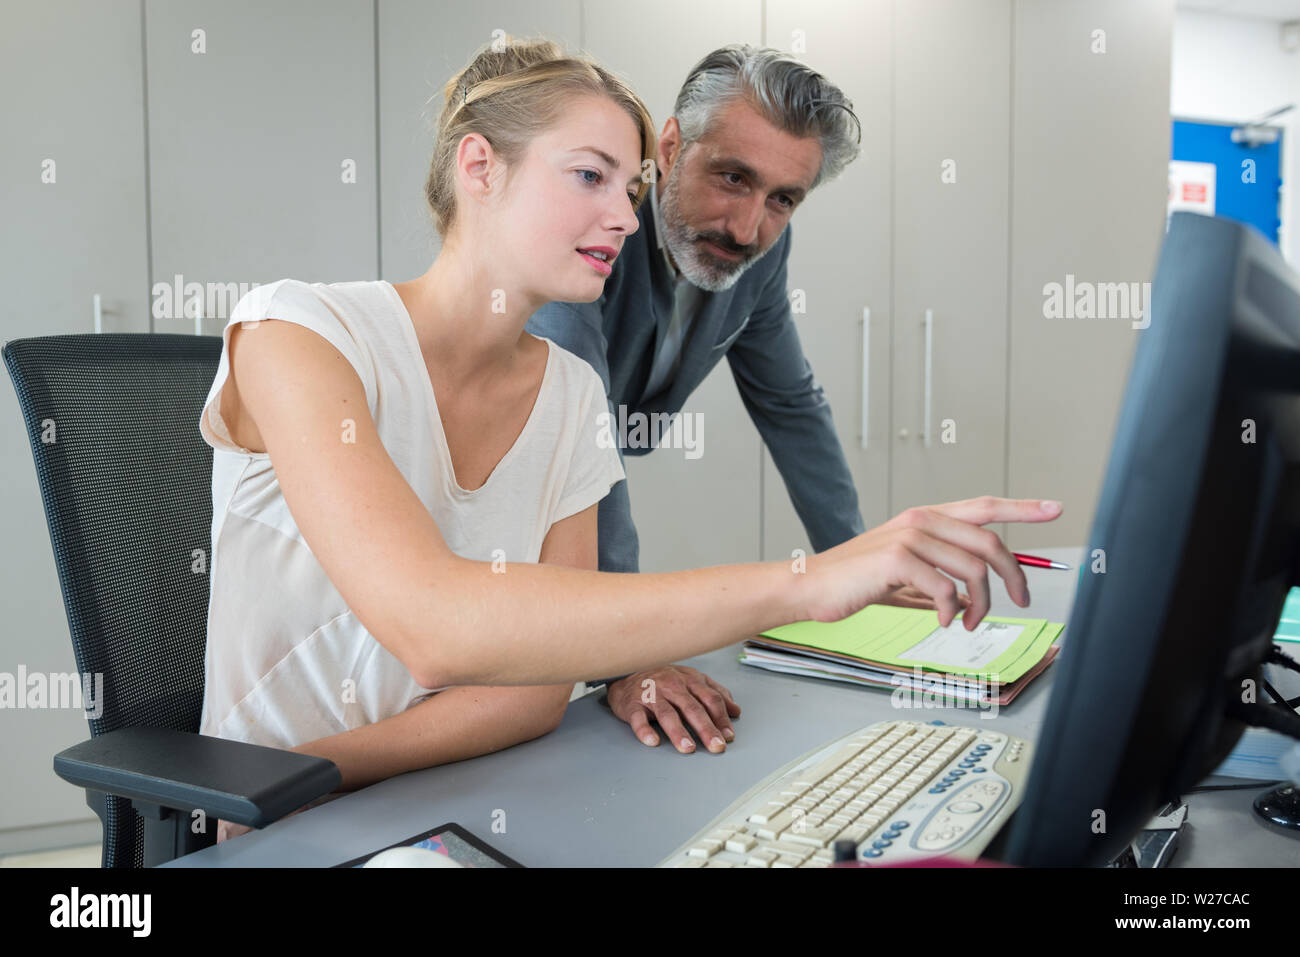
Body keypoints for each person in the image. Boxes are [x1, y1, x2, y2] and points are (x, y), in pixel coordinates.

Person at [198, 37, 1060, 841]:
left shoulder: (567, 395)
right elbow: (437, 627)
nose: (622, 215)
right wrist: (814, 580)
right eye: (590, 176)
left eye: (631, 189)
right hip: (269, 823)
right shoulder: (295, 332)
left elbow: (533, 693)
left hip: (427, 793)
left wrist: (327, 771)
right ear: (479, 167)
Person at [525, 45, 882, 750]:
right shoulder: (589, 225)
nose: (748, 228)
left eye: (783, 198)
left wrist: (860, 565)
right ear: (669, 146)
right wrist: (626, 657)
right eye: (732, 177)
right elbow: (584, 433)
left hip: (564, 503)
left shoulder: (760, 250)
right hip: (487, 506)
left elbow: (790, 403)